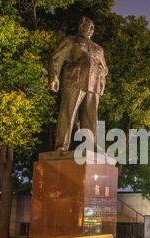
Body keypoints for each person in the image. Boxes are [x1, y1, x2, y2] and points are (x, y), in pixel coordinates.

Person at [49, 17, 108, 152]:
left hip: (94, 85)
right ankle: (61, 145)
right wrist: (54, 77)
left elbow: (104, 69)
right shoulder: (71, 40)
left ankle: (91, 147)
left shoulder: (98, 48)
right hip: (74, 80)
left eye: (93, 27)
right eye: (89, 26)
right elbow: (57, 58)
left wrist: (102, 83)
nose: (92, 29)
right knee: (67, 113)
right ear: (81, 27)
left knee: (91, 117)